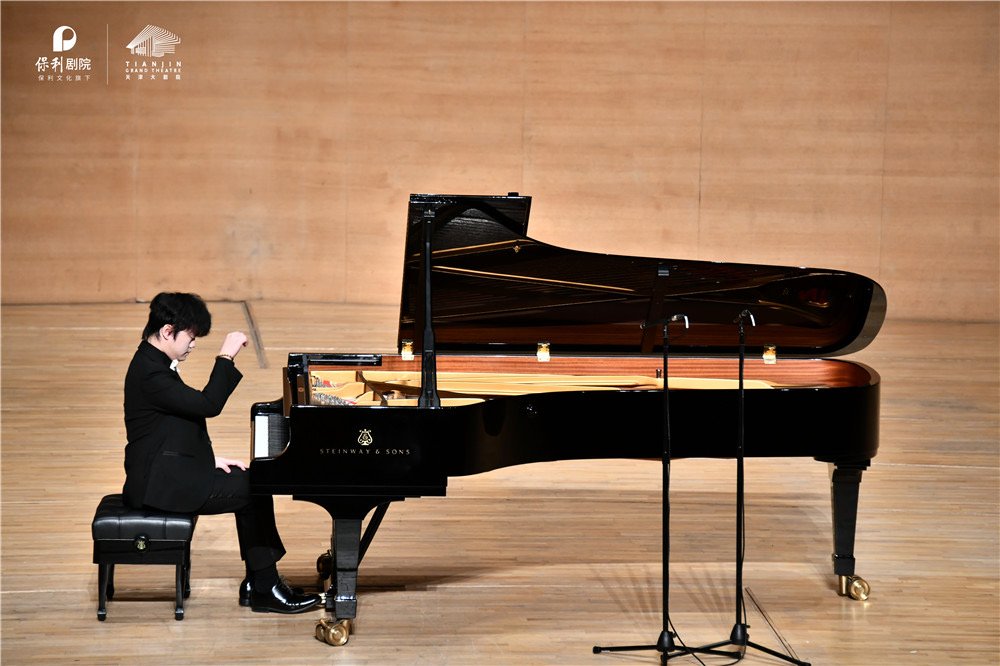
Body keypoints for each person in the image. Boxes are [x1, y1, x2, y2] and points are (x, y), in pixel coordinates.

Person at [122, 292, 320, 614]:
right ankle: (265, 586)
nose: (193, 345)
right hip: (159, 485)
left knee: (251, 479)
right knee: (253, 488)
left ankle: (258, 582)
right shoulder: (151, 372)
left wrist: (208, 460)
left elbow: (166, 427)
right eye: (191, 337)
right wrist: (226, 356)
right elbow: (207, 405)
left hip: (166, 471)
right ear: (168, 331)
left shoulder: (151, 362)